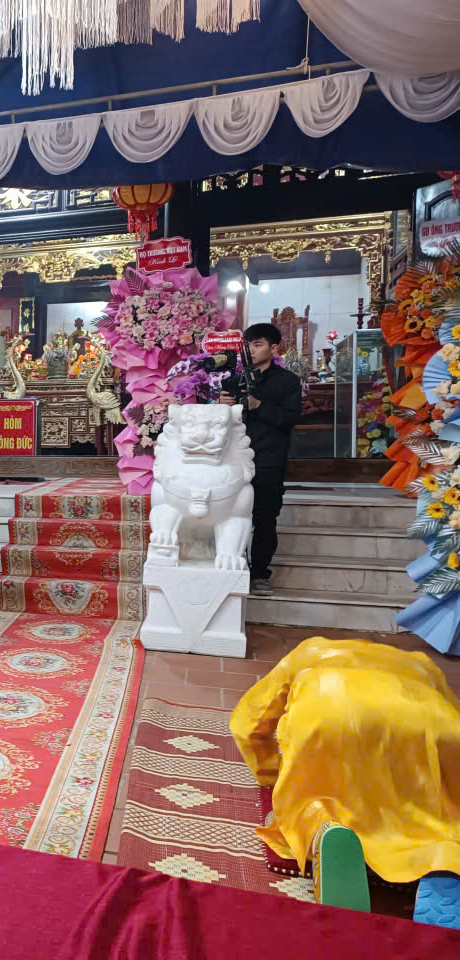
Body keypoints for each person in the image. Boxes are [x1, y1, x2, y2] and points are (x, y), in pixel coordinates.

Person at [230, 636, 460, 924]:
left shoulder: (310, 650)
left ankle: (324, 826)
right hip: (434, 725)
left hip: (335, 712)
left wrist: (271, 776)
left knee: (312, 796)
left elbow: (249, 723)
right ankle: (446, 856)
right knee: (439, 815)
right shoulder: (422, 663)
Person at [219, 322, 302, 597]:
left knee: (264, 518)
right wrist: (221, 407)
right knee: (231, 515)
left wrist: (259, 405)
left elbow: (290, 419)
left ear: (274, 348)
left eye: (258, 345)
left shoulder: (287, 381)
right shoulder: (234, 380)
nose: (251, 351)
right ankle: (234, 567)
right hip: (234, 459)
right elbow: (222, 424)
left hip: (268, 458)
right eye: (248, 345)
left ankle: (259, 574)